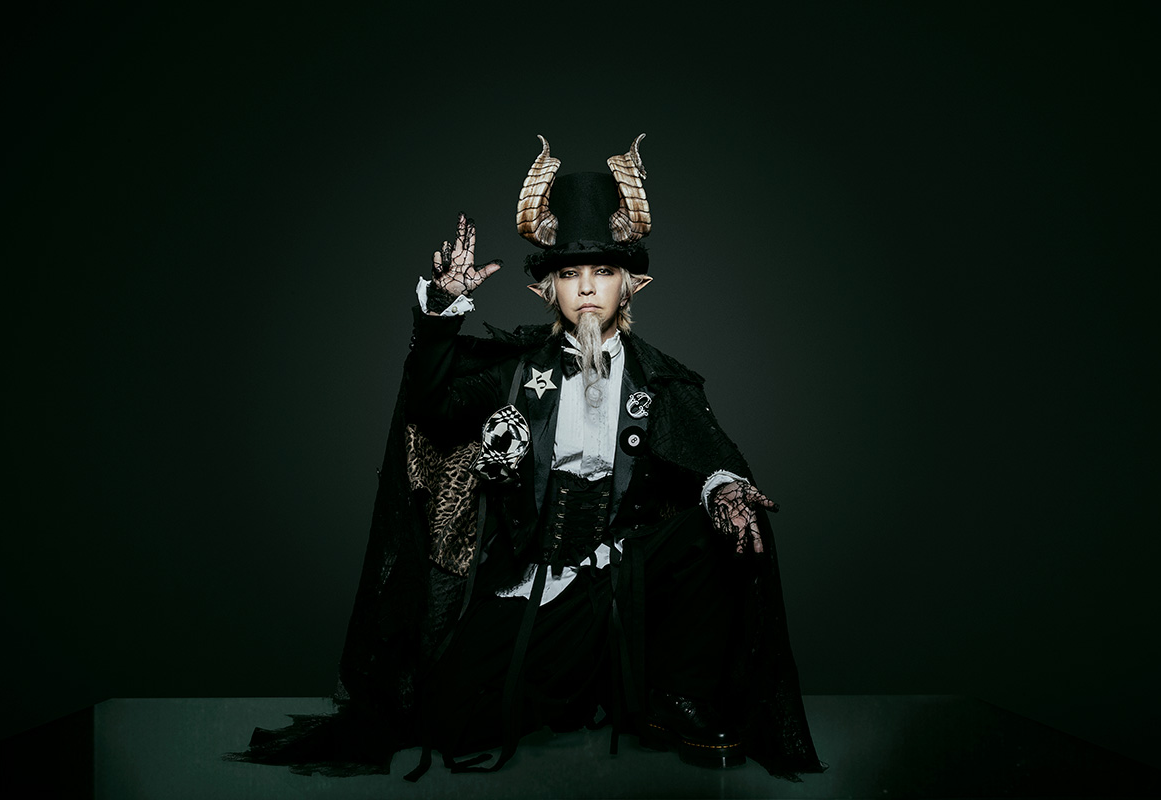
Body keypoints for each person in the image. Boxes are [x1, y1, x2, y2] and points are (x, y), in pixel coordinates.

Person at [227, 134, 823, 782]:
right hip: (533, 587)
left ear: (632, 284)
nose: (587, 288)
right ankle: (588, 686)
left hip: (624, 580)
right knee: (449, 717)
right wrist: (441, 314)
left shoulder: (660, 381)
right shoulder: (514, 371)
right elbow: (431, 407)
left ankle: (675, 697)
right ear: (548, 288)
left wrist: (726, 488)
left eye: (603, 272)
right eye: (570, 274)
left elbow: (711, 455)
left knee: (726, 521)